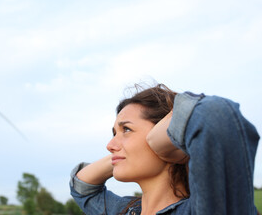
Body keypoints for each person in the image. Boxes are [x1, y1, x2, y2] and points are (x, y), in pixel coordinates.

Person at [69, 84, 260, 214]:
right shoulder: (126, 210)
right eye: (114, 133)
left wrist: (168, 142)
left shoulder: (203, 208)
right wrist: (121, 156)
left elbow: (215, 118)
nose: (110, 146)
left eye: (126, 129)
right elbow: (81, 187)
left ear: (165, 135)